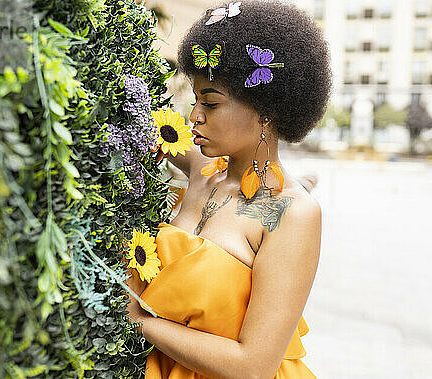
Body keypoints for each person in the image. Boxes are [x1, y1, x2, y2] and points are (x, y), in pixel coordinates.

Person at [125, 1, 331, 378]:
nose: (194, 116)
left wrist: (138, 321)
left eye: (211, 102)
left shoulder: (292, 214)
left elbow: (252, 366)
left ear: (266, 109)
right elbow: (134, 115)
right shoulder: (205, 171)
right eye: (195, 99)